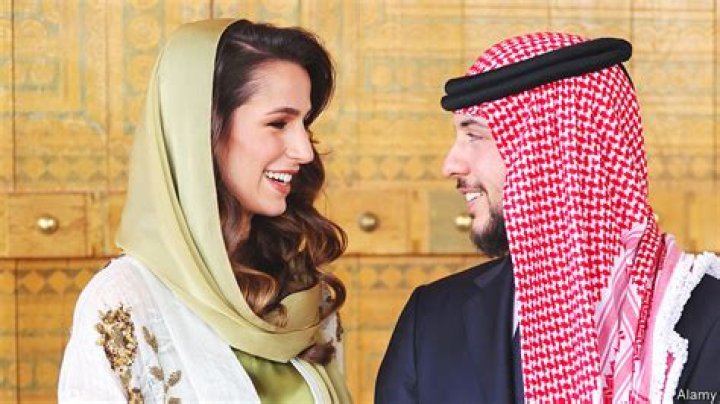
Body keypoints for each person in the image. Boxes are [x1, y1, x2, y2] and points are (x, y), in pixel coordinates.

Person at [376, 32, 720, 403]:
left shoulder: (707, 316)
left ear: (555, 148)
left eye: (474, 135)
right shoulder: (432, 318)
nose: (451, 164)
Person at [58, 19, 351, 403]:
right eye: (279, 123)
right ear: (201, 131)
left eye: (304, 123)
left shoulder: (303, 289)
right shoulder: (124, 302)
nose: (305, 150)